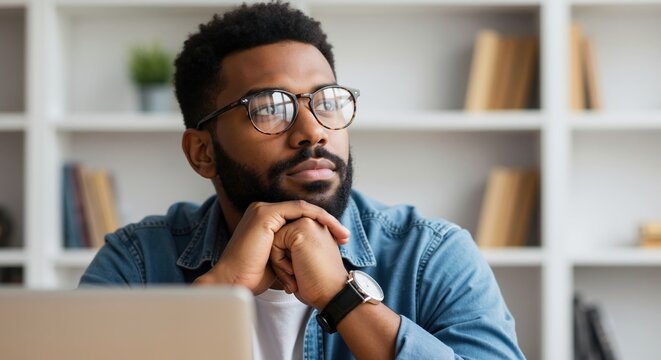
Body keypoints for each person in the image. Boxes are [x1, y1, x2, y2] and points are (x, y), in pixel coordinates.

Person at [80, 2, 525, 359]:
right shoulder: (137, 263)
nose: (313, 129)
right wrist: (221, 291)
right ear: (203, 152)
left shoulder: (430, 256)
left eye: (327, 100)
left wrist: (341, 297)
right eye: (270, 107)